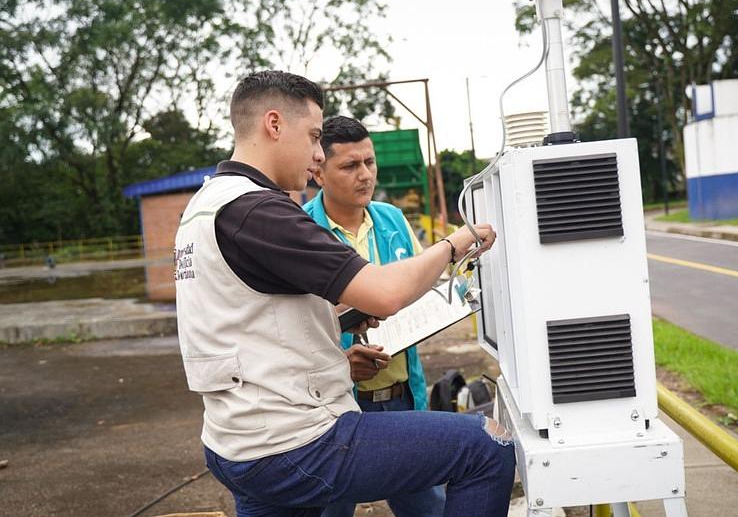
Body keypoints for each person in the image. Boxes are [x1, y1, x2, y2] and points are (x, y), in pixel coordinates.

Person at [174, 69, 515, 517]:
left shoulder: (206, 205)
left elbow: (254, 315)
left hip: (236, 440)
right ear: (274, 125)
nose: (317, 154)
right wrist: (456, 243)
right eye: (315, 136)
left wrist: (340, 317)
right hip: (293, 443)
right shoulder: (259, 209)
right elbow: (386, 293)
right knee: (486, 447)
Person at [303, 116, 445, 517]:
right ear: (317, 171)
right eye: (350, 166)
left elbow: (419, 289)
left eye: (369, 162)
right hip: (332, 409)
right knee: (330, 510)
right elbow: (291, 328)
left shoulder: (393, 220)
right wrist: (339, 362)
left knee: (427, 507)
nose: (364, 175)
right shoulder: (300, 230)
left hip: (402, 398)